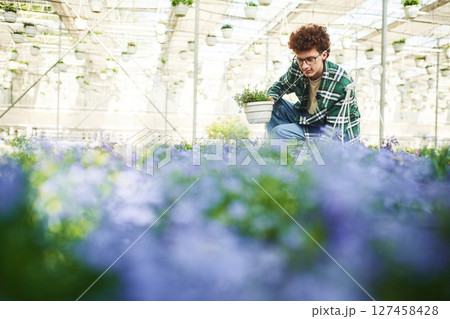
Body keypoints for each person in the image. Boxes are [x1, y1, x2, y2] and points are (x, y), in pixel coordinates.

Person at [267, 24, 360, 142]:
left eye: (310, 59)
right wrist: (270, 99)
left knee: (280, 132)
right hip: (309, 118)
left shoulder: (340, 84)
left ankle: (296, 153)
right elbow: (280, 86)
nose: (304, 66)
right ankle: (285, 150)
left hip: (330, 130)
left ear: (324, 55)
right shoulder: (297, 68)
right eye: (300, 59)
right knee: (272, 106)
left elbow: (335, 133)